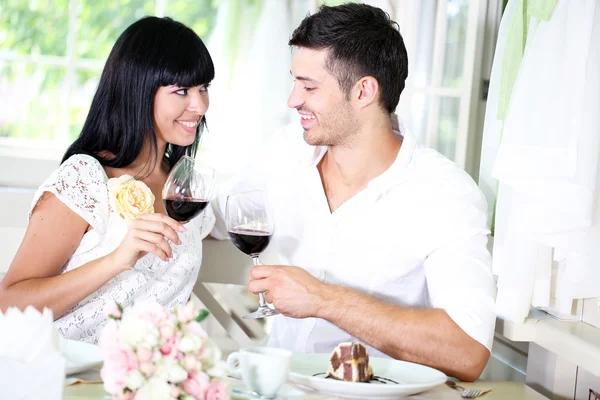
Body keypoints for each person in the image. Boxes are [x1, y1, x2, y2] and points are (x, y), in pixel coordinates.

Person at [211, 3, 495, 382]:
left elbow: (467, 351)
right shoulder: (283, 153)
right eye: (295, 82)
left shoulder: (445, 194)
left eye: (309, 86)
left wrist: (323, 299)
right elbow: (213, 215)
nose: (293, 100)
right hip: (283, 388)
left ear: (364, 91)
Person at [0, 17, 216, 344]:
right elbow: (9, 305)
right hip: (68, 380)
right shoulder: (84, 180)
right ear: (138, 90)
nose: (199, 105)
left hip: (145, 384)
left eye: (204, 88)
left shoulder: (186, 188)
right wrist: (117, 259)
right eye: (182, 90)